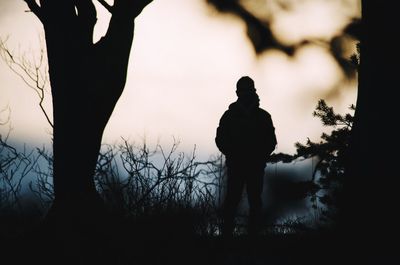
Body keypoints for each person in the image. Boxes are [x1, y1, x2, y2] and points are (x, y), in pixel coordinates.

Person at [215, 76, 277, 238]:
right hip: (236, 166)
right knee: (232, 201)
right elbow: (220, 139)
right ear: (237, 92)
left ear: (253, 91)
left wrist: (259, 157)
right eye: (242, 90)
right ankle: (227, 238)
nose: (245, 94)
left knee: (254, 202)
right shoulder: (229, 116)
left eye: (248, 90)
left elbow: (271, 142)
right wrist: (233, 154)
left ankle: (253, 238)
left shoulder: (263, 117)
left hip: (255, 167)